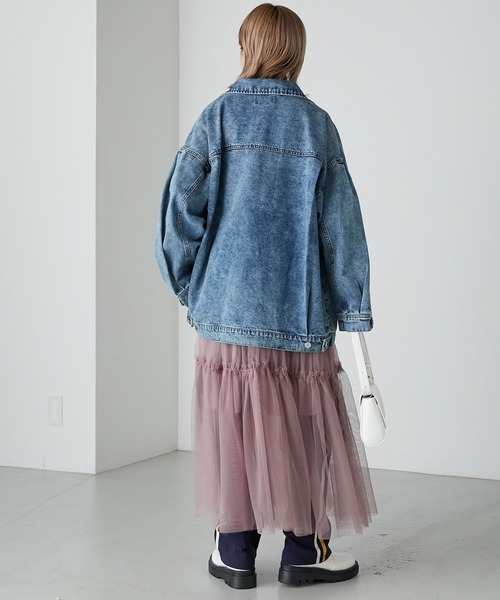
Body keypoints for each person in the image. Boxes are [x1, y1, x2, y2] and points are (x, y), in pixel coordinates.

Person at [155, 3, 377, 590]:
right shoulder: (316, 125)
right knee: (303, 432)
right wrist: (352, 307)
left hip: (226, 312)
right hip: (298, 313)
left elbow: (179, 212)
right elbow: (342, 228)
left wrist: (192, 286)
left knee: (232, 431)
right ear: (296, 52)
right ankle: (304, 552)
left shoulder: (216, 118)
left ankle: (234, 553)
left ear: (246, 46)